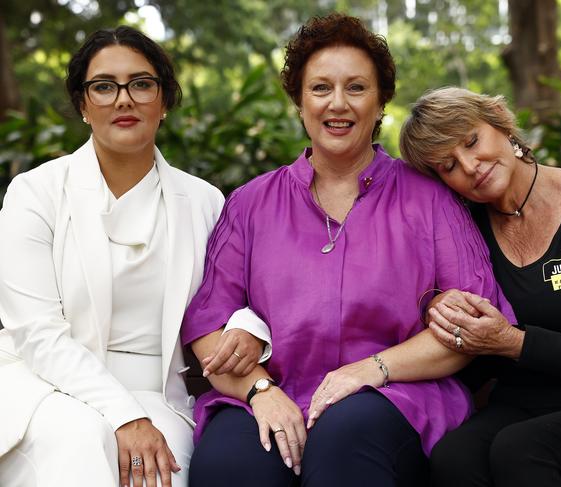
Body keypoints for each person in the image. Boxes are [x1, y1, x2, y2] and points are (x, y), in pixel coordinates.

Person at [181, 13, 515, 487]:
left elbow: (472, 323)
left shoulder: (430, 199)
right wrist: (258, 390)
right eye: (320, 88)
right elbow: (209, 322)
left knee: (345, 447)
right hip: (270, 393)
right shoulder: (251, 204)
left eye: (356, 88)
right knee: (230, 467)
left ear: (380, 104)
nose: (338, 103)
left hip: (396, 396)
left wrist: (371, 370)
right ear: (299, 102)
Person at [0, 26, 267, 487]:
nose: (124, 99)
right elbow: (37, 334)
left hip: (160, 396)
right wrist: (123, 415)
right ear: (83, 105)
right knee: (82, 446)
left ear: (163, 101)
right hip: (47, 389)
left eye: (141, 84)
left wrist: (248, 327)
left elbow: (242, 297)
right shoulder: (35, 193)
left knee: (160, 477)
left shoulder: (205, 202)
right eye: (104, 86)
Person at [399, 86, 561, 487]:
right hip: (527, 399)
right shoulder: (468, 230)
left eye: (471, 141)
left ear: (500, 121)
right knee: (453, 458)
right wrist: (442, 308)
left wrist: (513, 342)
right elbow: (475, 353)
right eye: (448, 165)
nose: (470, 165)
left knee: (521, 448)